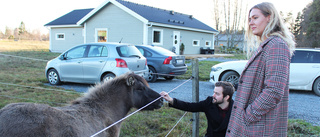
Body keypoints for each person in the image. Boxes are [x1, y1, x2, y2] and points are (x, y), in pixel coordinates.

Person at [226, 2, 295, 137]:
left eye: (255, 18)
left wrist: (248, 116)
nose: (251, 22)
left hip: (259, 127)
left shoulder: (277, 45)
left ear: (269, 17)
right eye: (249, 19)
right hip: (253, 125)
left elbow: (274, 91)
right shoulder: (267, 45)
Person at [160, 81, 235, 137]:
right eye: (214, 92)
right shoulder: (209, 102)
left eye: (217, 94)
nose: (213, 95)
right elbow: (190, 106)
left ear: (226, 97)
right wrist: (171, 100)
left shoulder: (236, 108)